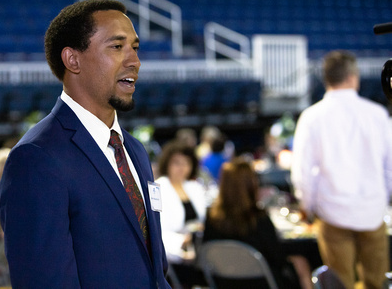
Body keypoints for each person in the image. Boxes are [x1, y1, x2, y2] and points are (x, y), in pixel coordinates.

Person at [0, 0, 171, 288]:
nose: (135, 61)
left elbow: (155, 271)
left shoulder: (134, 150)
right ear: (73, 60)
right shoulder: (36, 158)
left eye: (135, 48)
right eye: (117, 47)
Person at [291, 50, 392, 289]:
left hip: (333, 212)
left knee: (340, 284)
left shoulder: (312, 117)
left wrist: (307, 206)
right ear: (353, 77)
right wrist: (387, 199)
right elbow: (389, 166)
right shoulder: (377, 115)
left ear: (326, 78)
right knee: (376, 283)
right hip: (372, 211)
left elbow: (302, 172)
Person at [203, 159, 310, 289]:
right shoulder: (259, 218)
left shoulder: (211, 218)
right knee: (300, 262)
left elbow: (206, 253)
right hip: (262, 283)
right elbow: (277, 257)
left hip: (224, 282)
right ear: (251, 184)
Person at [155, 140, 207, 288]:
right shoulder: (158, 188)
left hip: (197, 248)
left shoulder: (194, 187)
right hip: (174, 254)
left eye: (186, 163)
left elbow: (202, 220)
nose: (182, 168)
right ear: (167, 164)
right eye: (177, 163)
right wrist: (181, 241)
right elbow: (158, 231)